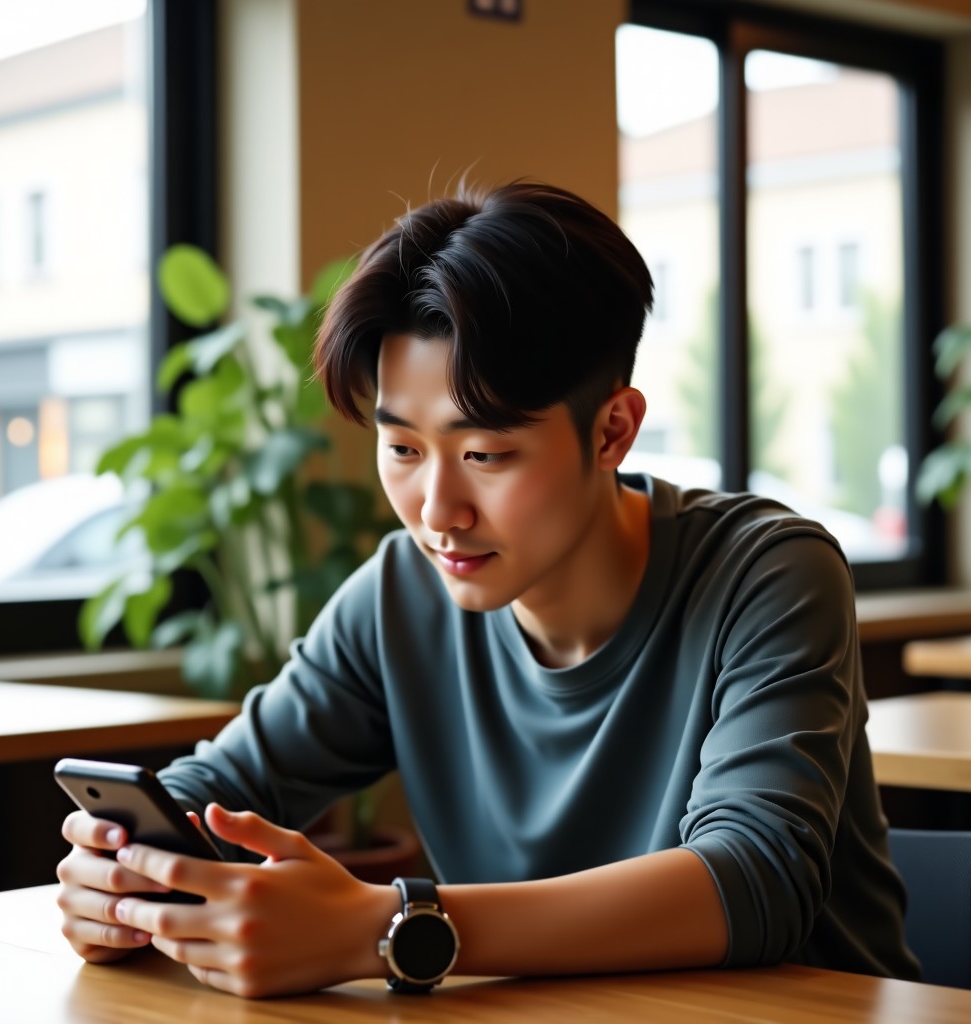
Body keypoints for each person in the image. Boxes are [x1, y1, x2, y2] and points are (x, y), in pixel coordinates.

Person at [57, 180, 920, 998]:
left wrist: (389, 927)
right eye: (401, 449)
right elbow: (227, 785)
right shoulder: (401, 593)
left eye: (485, 455)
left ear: (613, 429)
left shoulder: (768, 572)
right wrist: (124, 871)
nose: (437, 511)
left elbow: (758, 881)